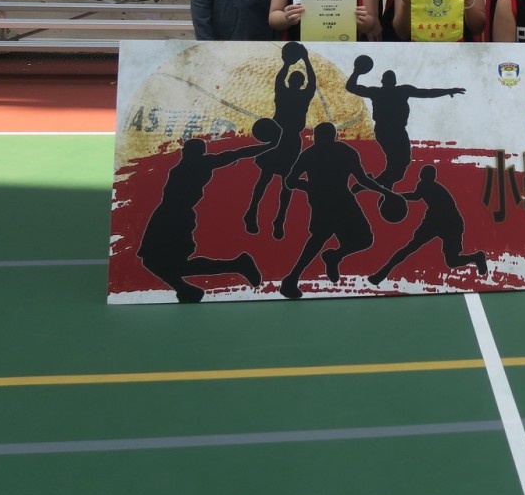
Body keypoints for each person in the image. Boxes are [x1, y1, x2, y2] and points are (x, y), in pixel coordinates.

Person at [137, 136, 271, 303]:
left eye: (187, 149)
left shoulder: (202, 163)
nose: (183, 151)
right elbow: (237, 154)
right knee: (153, 261)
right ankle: (188, 288)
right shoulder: (191, 165)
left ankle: (233, 266)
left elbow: (238, 153)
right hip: (165, 214)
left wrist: (269, 146)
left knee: (163, 262)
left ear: (195, 152)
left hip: (177, 216)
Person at [278, 121, 402, 299]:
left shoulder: (337, 152)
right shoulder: (314, 154)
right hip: (325, 202)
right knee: (320, 239)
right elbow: (290, 181)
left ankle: (333, 257)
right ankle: (293, 278)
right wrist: (310, 187)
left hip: (342, 201)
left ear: (329, 137)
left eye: (322, 137)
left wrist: (385, 192)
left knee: (363, 239)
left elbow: (361, 179)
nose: (320, 140)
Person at [345, 55, 466, 187]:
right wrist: (356, 72)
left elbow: (427, 93)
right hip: (386, 131)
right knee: (397, 165)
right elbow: (351, 87)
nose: (391, 80)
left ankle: (372, 187)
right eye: (389, 78)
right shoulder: (379, 92)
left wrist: (447, 91)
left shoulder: (397, 91)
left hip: (395, 131)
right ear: (383, 81)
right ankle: (369, 186)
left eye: (392, 78)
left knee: (397, 166)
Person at [242, 42, 319, 237]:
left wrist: (290, 62)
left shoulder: (294, 94)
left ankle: (277, 219)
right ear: (297, 82)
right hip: (279, 137)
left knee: (283, 181)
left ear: (294, 81)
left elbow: (309, 81)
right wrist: (303, 59)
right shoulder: (293, 94)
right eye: (296, 77)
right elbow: (310, 80)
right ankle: (254, 212)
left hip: (290, 140)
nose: (296, 80)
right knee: (270, 179)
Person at [367, 164, 489, 285]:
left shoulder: (430, 187)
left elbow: (415, 196)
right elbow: (416, 196)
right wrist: (394, 196)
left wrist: (393, 195)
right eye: (423, 174)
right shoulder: (424, 185)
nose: (423, 176)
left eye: (426, 174)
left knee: (451, 261)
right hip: (435, 221)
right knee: (409, 249)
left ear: (431, 176)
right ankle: (381, 274)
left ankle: (476, 257)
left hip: (451, 223)